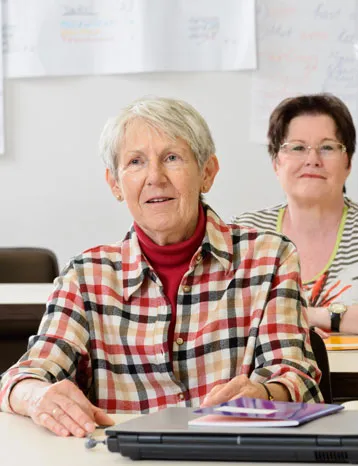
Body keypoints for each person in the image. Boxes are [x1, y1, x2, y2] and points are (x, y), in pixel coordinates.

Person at [0, 97, 322, 438]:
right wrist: (35, 395)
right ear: (115, 184)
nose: (155, 177)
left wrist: (265, 394)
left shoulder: (269, 258)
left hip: (230, 455)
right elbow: (24, 376)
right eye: (135, 162)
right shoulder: (85, 276)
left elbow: (294, 373)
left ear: (207, 173)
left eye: (172, 158)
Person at [234, 94, 358, 335]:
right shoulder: (248, 231)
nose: (312, 160)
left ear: (348, 163)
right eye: (298, 148)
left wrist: (315, 316)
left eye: (327, 147)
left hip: (357, 372)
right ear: (276, 163)